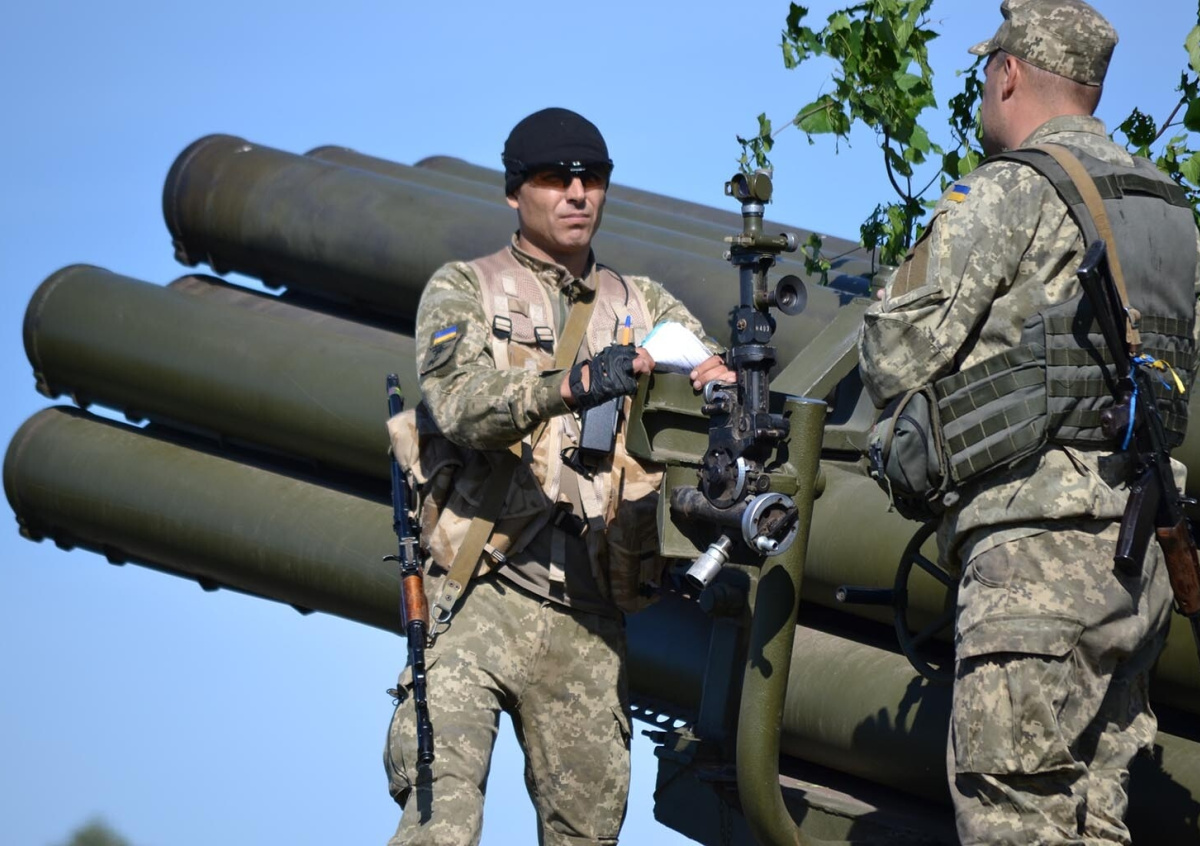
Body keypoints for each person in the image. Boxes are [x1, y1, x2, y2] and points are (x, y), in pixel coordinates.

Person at [858, 2, 1199, 844]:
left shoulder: (1007, 190)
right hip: (1138, 559)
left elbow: (893, 355)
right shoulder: (1171, 209)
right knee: (1097, 819)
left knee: (1010, 813)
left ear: (1008, 73)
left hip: (1033, 563)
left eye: (988, 71)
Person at [382, 106, 732, 846]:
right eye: (554, 178)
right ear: (515, 192)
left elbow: (704, 375)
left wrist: (716, 382)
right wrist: (572, 384)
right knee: (442, 821)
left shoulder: (643, 306)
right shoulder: (466, 288)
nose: (577, 193)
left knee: (587, 834)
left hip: (588, 611)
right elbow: (461, 404)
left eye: (592, 177)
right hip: (480, 593)